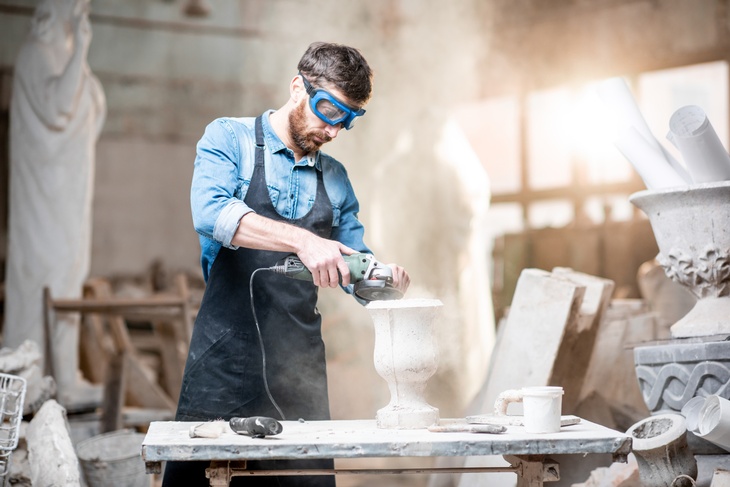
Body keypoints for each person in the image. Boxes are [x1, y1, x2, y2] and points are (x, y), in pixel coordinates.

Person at [162, 42, 410, 486]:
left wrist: (382, 278)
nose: (335, 130)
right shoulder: (228, 139)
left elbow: (356, 266)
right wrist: (304, 242)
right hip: (224, 359)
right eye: (329, 111)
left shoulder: (334, 179)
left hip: (300, 370)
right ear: (298, 87)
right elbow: (212, 213)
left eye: (348, 120)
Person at [5, 0, 105, 409]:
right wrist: (81, 48)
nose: (84, 10)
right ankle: (32, 370)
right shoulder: (35, 53)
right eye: (77, 3)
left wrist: (78, 54)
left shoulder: (64, 56)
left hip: (68, 190)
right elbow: (59, 107)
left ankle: (64, 374)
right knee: (43, 275)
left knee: (68, 273)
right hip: (42, 195)